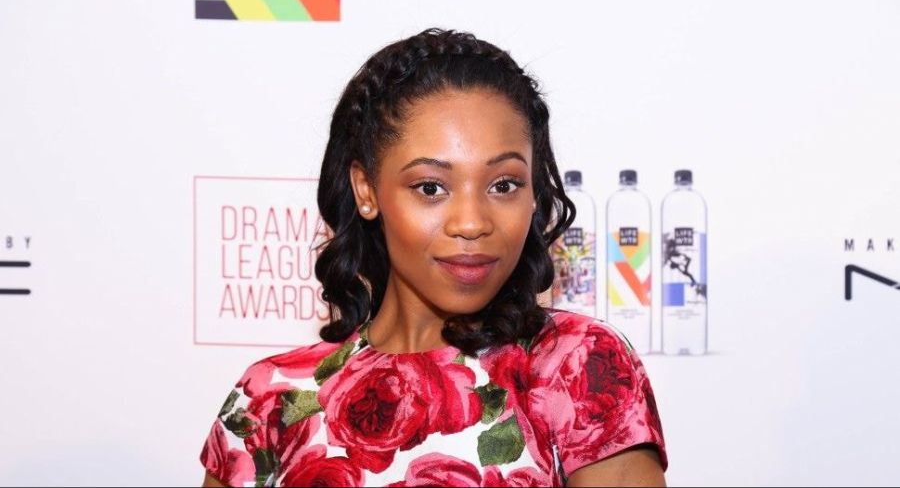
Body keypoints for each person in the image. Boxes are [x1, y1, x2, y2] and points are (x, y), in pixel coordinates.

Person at [199, 28, 667, 487]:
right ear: (367, 190)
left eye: (504, 184)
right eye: (430, 188)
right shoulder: (268, 402)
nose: (472, 222)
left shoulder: (575, 365)